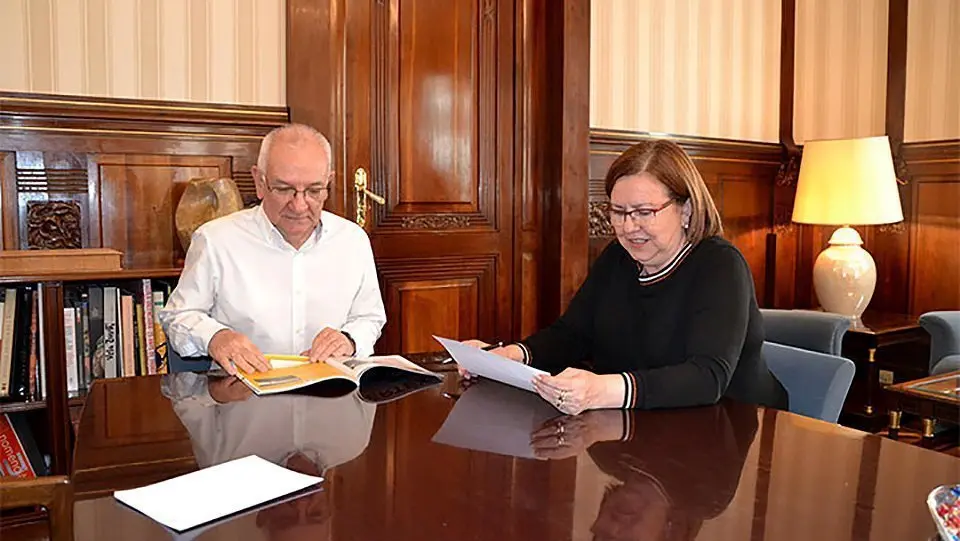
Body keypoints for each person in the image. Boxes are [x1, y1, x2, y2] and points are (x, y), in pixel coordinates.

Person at [464, 139, 788, 414]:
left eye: (644, 212)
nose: (628, 226)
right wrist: (510, 356)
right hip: (652, 430)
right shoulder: (617, 258)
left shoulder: (720, 265)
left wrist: (601, 390)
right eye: (618, 212)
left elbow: (706, 377)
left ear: (686, 210)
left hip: (733, 431)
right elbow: (573, 334)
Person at [159, 123, 386, 375]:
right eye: (284, 189)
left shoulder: (352, 240)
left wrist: (350, 339)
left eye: (313, 190)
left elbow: (370, 317)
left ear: (328, 183)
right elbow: (178, 316)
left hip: (331, 395)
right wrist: (216, 337)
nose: (299, 206)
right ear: (259, 181)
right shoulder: (216, 240)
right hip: (243, 396)